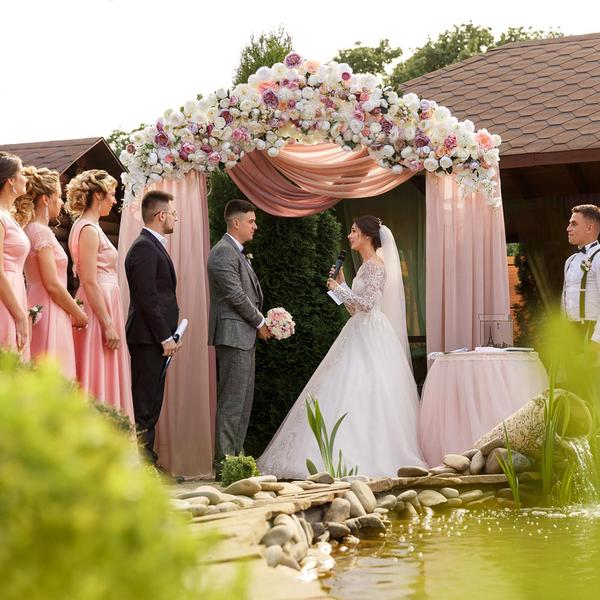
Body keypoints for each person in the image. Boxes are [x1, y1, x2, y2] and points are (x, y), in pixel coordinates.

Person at [258, 215, 426, 478]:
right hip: (358, 328)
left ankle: (364, 456)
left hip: (371, 334)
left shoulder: (375, 266)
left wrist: (341, 288)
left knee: (364, 390)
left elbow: (368, 304)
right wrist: (341, 286)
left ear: (367, 235)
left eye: (354, 231)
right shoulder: (363, 267)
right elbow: (353, 308)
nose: (349, 236)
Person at [207, 199, 272, 477]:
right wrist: (260, 320)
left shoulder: (237, 252)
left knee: (243, 403)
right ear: (236, 222)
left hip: (243, 336)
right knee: (232, 402)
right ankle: (224, 464)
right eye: (251, 221)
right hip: (234, 334)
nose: (255, 226)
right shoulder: (223, 253)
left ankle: (237, 461)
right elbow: (235, 295)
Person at [66, 170, 134, 421]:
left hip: (105, 304)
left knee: (106, 369)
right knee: (98, 370)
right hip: (98, 308)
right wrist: (107, 324)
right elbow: (89, 280)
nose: (115, 201)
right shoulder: (88, 230)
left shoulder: (90, 227)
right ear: (98, 195)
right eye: (112, 195)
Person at [14, 166, 88, 378]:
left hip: (35, 302)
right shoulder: (42, 232)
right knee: (54, 371)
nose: (62, 202)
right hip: (49, 308)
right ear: (46, 199)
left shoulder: (28, 230)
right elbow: (52, 284)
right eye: (58, 196)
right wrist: (78, 312)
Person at [125, 190, 179, 464]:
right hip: (147, 338)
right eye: (173, 213)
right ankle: (143, 465)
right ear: (161, 215)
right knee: (144, 404)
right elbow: (147, 298)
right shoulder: (145, 247)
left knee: (152, 403)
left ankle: (149, 461)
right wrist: (164, 336)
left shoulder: (152, 245)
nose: (175, 218)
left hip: (154, 338)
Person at [0, 152, 30, 359]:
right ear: (11, 180)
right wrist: (19, 316)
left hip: (15, 290)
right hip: (5, 297)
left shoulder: (8, 216)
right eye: (21, 173)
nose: (26, 178)